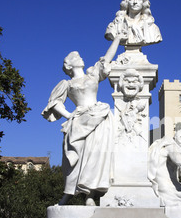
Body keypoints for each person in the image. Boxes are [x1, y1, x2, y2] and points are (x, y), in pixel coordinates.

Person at [42, 33, 124, 205]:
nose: (80, 57)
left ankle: (90, 195)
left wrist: (117, 39)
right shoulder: (67, 84)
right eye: (75, 57)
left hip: (99, 116)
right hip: (79, 121)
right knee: (75, 158)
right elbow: (54, 103)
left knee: (96, 156)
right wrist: (70, 115)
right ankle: (68, 194)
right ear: (69, 65)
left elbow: (107, 58)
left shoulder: (92, 75)